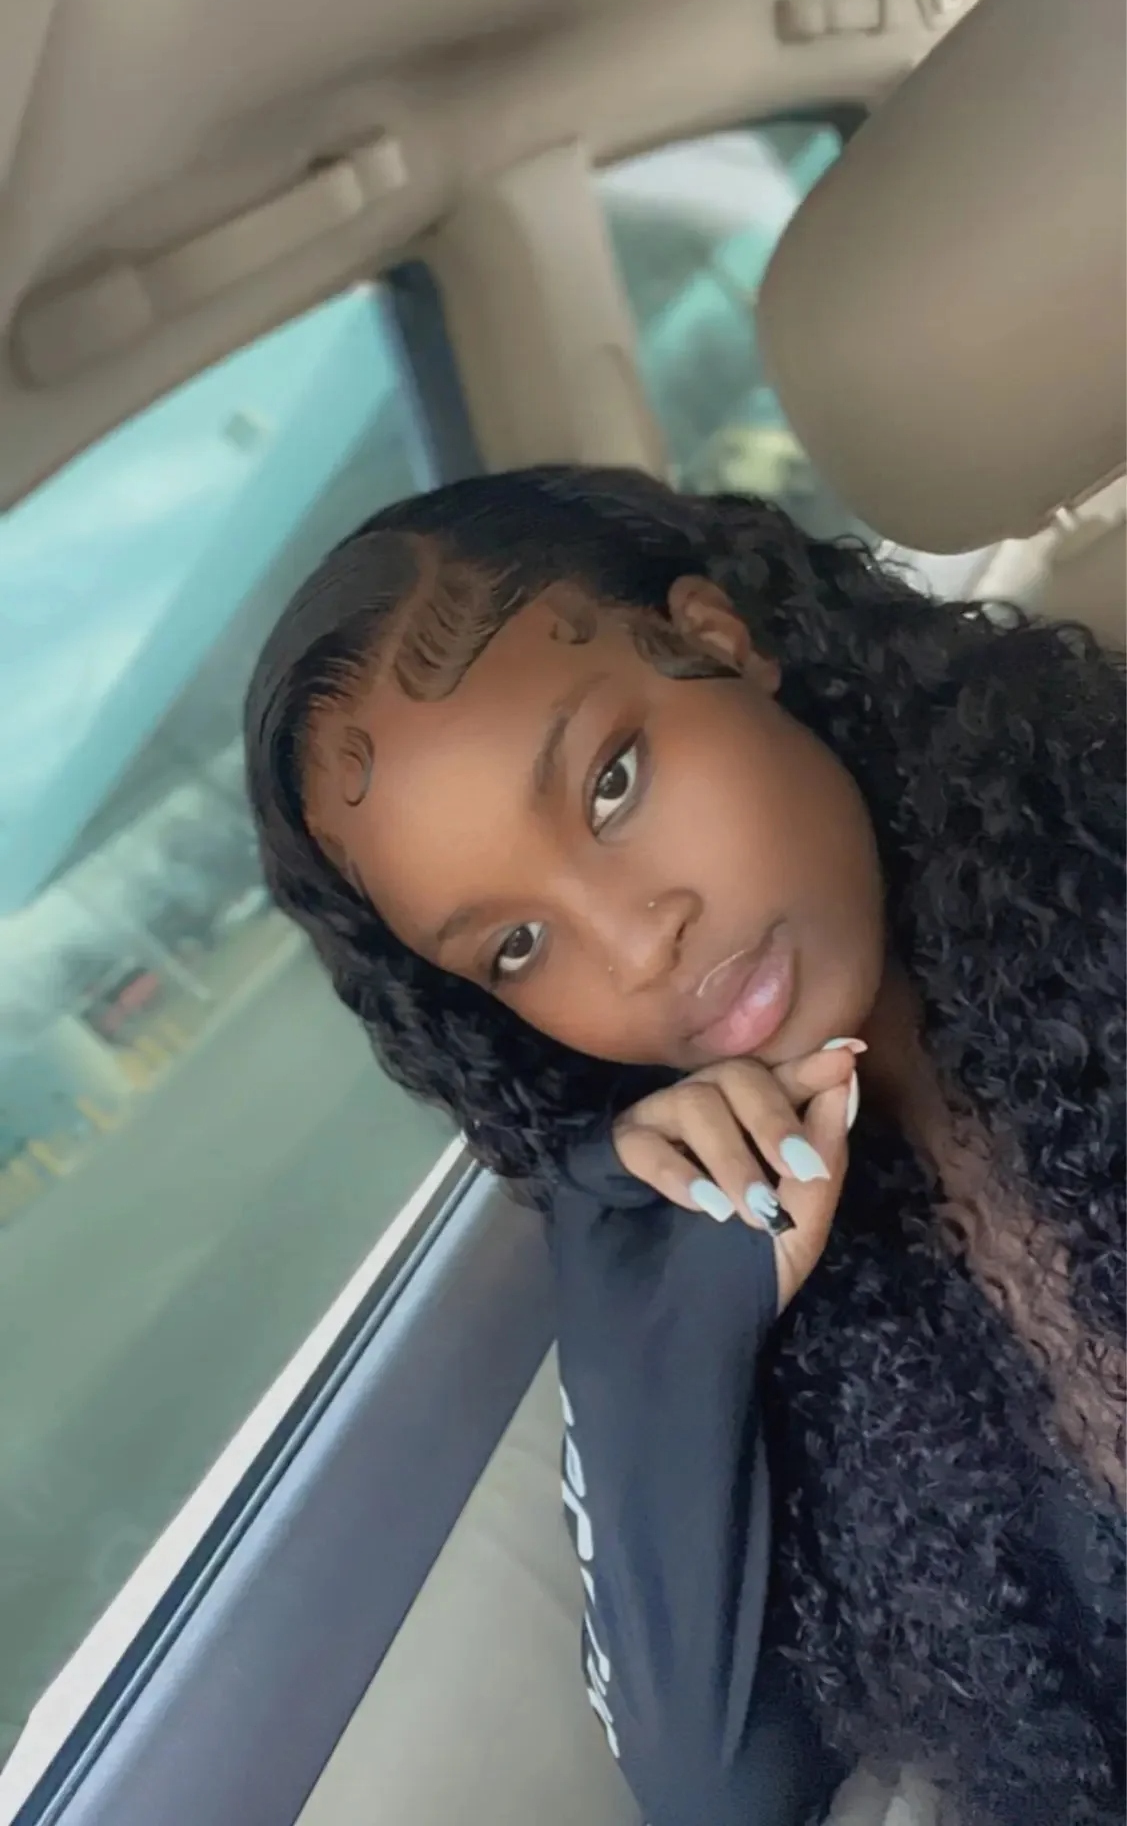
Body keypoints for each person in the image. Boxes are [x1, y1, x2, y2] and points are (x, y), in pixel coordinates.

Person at [244, 465, 1125, 1826]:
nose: (635, 944)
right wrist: (654, 1297)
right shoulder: (782, 1279)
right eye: (518, 944)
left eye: (611, 783)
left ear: (720, 639)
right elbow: (721, 1792)